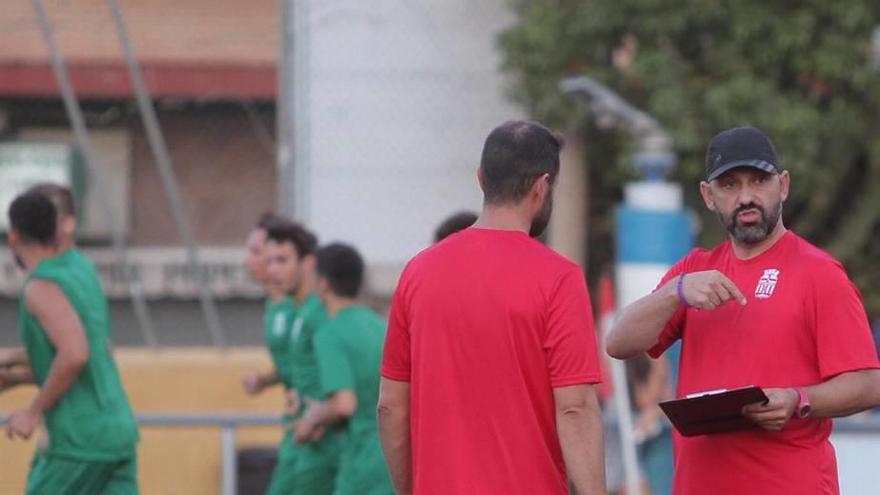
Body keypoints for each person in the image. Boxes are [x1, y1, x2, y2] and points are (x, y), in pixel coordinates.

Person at [606, 126, 880, 495]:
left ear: (783, 185)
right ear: (708, 195)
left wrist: (798, 399)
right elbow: (618, 342)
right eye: (730, 185)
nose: (746, 197)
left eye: (759, 181)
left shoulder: (819, 273)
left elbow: (869, 384)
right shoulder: (693, 272)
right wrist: (676, 291)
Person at [379, 120, 606, 495]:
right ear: (542, 186)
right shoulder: (559, 278)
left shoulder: (417, 272)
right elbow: (575, 409)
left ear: (481, 179)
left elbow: (390, 407)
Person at [3, 190, 139, 494]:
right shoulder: (80, 267)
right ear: (56, 230)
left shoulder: (42, 286)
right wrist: (12, 367)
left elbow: (75, 353)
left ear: (13, 236)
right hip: (117, 431)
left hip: (79, 440)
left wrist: (32, 412)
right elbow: (76, 350)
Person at [292, 242, 393, 495]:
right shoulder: (381, 327)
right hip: (395, 458)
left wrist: (312, 418)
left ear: (323, 284)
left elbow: (343, 404)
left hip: (361, 463)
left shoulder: (330, 334)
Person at [264, 220, 337, 495]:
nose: (272, 270)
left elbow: (342, 376)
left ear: (307, 263)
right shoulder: (299, 311)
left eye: (282, 260)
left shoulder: (320, 312)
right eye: (269, 261)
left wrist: (320, 415)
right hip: (300, 435)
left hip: (321, 441)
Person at [238, 212, 300, 493]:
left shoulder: (298, 306)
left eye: (256, 252)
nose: (248, 261)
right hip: (296, 425)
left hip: (313, 429)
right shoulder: (274, 305)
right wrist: (265, 380)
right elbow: (293, 362)